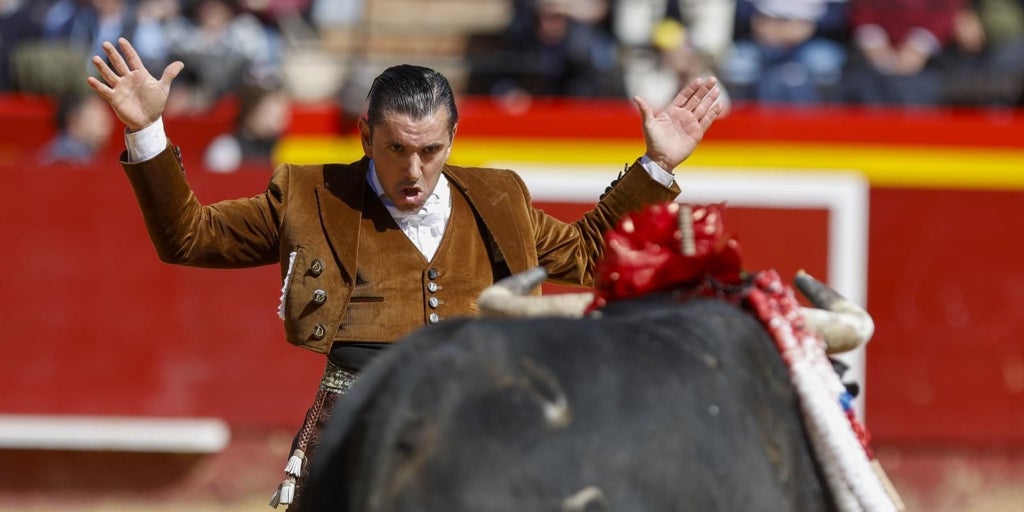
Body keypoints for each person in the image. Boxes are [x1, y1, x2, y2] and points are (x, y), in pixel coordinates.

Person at [86, 37, 723, 511]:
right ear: (365, 136)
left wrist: (656, 168)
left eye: (430, 150)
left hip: (484, 419)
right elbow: (190, 237)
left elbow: (588, 254)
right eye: (396, 149)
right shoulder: (309, 195)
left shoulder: (498, 198)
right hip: (360, 421)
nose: (413, 170)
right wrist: (146, 130)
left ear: (453, 138)